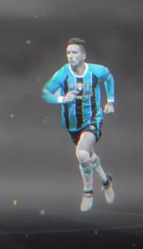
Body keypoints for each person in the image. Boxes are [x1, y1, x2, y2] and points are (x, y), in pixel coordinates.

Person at [42, 38, 115, 212]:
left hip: (92, 119)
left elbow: (108, 77)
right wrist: (62, 98)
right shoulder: (63, 73)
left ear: (83, 55)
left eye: (74, 52)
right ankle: (106, 181)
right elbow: (45, 93)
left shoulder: (96, 71)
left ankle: (88, 192)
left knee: (82, 153)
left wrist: (110, 101)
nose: (70, 56)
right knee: (88, 156)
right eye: (68, 52)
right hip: (72, 124)